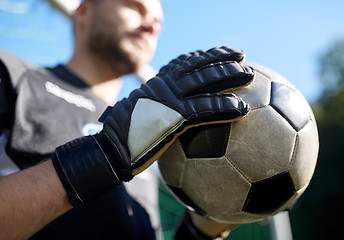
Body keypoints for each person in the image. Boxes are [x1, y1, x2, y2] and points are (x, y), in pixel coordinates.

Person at [0, 0, 254, 239]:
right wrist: (103, 156)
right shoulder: (11, 75)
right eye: (134, 6)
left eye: (158, 22)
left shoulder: (148, 142)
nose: (151, 25)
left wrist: (201, 229)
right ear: (84, 11)